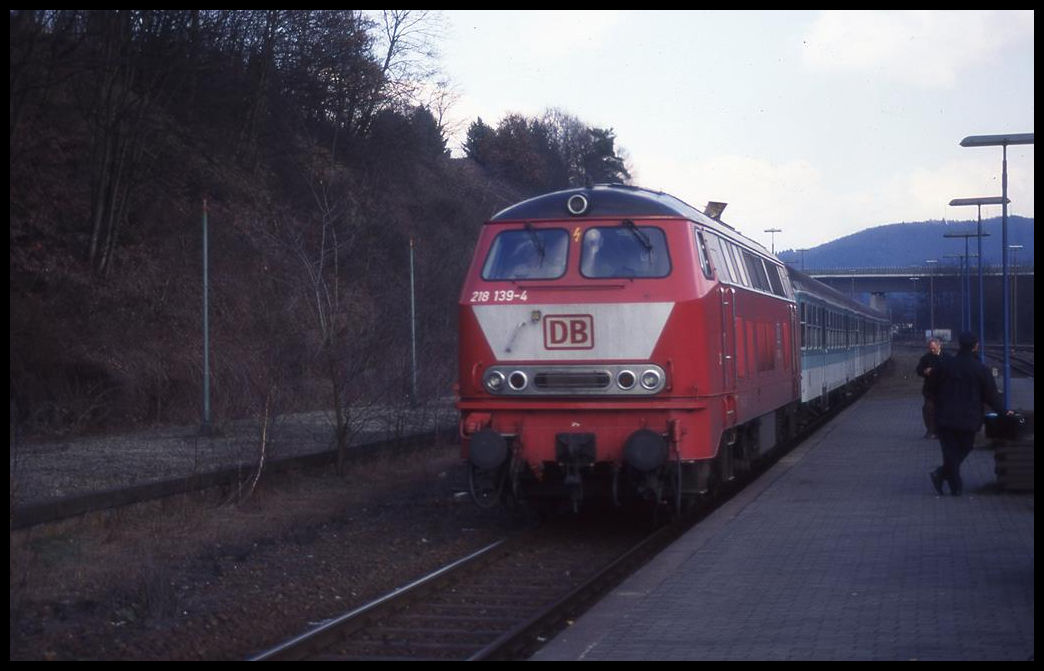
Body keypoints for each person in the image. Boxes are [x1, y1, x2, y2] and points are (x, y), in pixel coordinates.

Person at [929, 331, 1009, 496]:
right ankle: (952, 484)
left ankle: (946, 479)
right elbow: (991, 396)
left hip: (945, 417)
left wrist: (937, 404)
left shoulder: (945, 365)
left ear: (960, 344)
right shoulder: (980, 369)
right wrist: (1004, 412)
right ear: (975, 346)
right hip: (969, 418)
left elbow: (931, 388)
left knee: (950, 451)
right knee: (964, 448)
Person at [915, 338, 945, 438]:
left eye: (933, 348)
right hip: (930, 389)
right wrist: (924, 371)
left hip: (944, 389)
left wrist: (933, 370)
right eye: (930, 348)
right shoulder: (926, 358)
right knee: (928, 409)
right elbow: (919, 370)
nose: (932, 350)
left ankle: (941, 431)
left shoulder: (947, 357)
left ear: (939, 346)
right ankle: (931, 430)